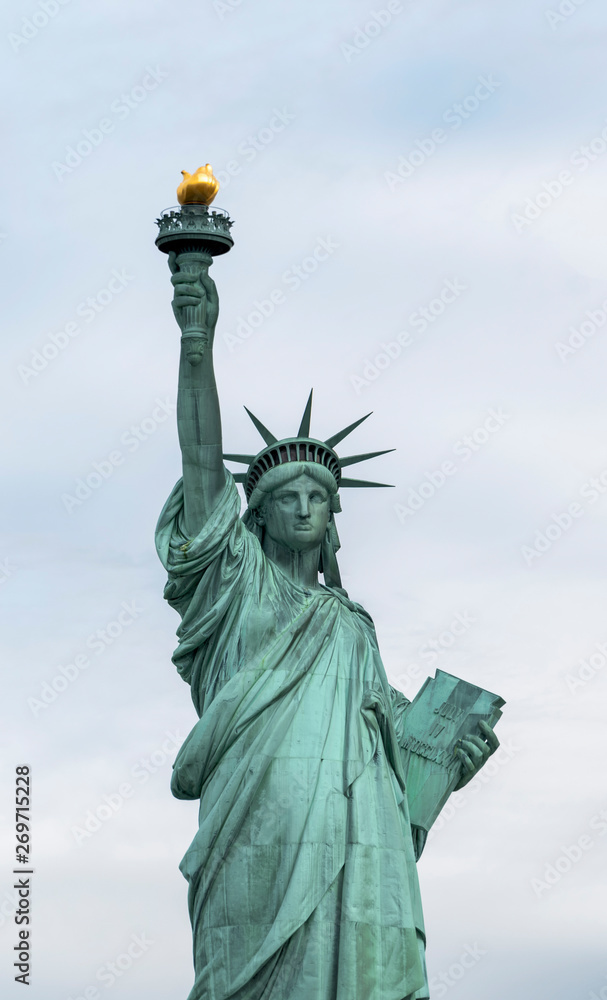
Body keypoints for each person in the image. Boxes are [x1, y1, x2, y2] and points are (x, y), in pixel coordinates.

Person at [156, 253, 498, 1000]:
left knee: (367, 968)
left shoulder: (351, 626)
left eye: (319, 495)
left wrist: (445, 753)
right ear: (256, 514)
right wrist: (196, 341)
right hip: (261, 811)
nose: (305, 506)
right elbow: (200, 461)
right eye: (287, 495)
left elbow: (389, 730)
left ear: (333, 516)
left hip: (359, 823)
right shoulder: (233, 585)